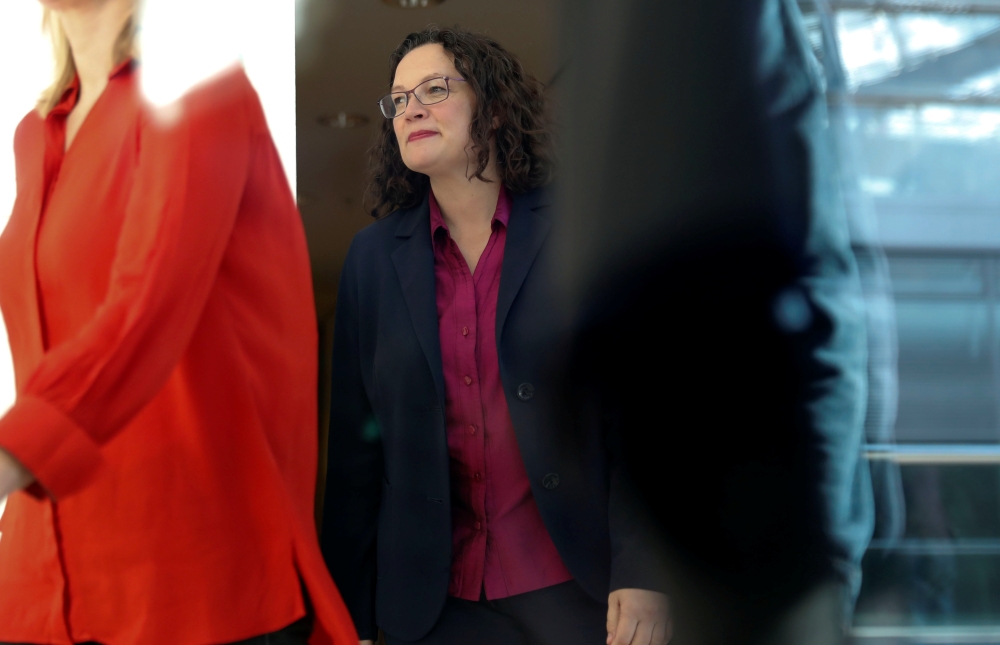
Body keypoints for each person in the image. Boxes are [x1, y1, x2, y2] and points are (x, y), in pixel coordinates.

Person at [0, 1, 356, 643]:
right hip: (44, 583)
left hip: (194, 578)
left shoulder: (199, 84)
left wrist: (12, 453)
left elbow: (149, 304)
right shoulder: (35, 133)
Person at [321, 26, 671, 645]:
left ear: (496, 106)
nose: (412, 110)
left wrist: (647, 570)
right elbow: (356, 454)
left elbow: (646, 413)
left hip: (582, 591)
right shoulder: (372, 260)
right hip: (430, 608)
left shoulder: (582, 229)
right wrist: (351, 613)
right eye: (399, 100)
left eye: (434, 89)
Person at [553, 0, 874, 643]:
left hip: (757, 528)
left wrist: (823, 569)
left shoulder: (728, 25)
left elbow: (811, 289)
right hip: (680, 507)